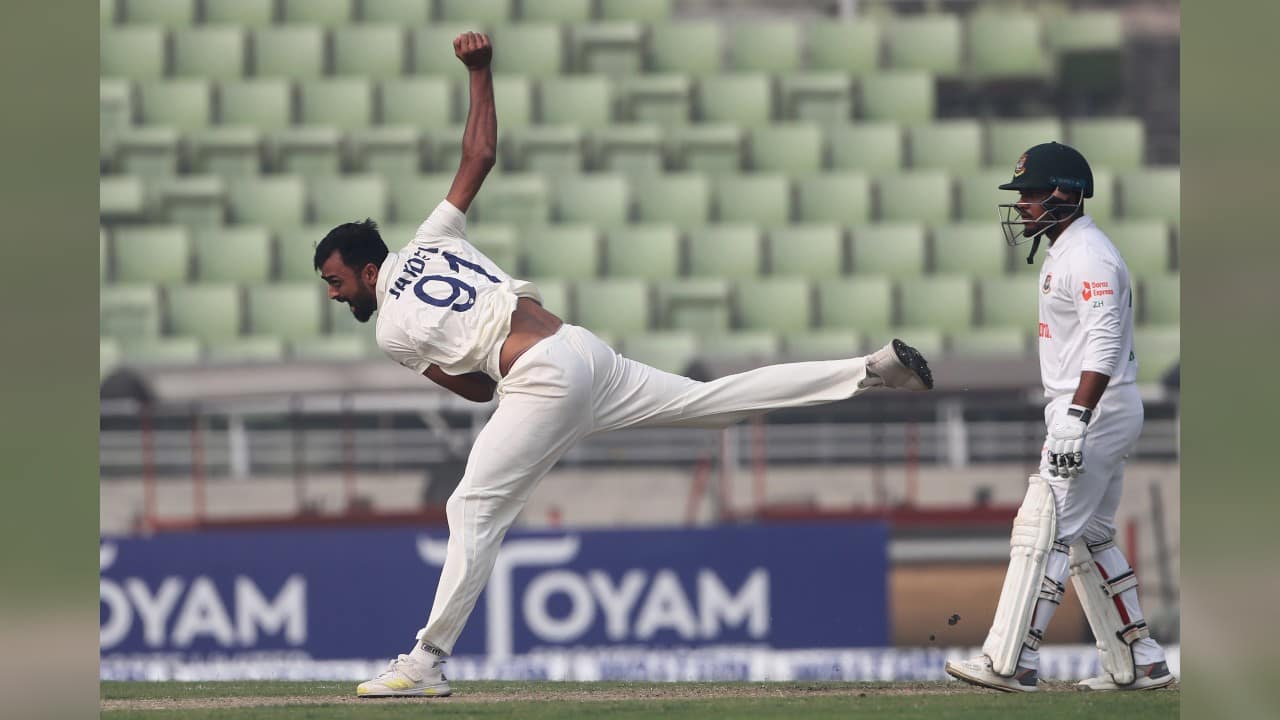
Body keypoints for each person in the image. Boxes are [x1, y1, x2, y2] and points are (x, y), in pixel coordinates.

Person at [315, 32, 935, 699]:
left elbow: (472, 390)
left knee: (471, 504)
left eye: (335, 280)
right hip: (580, 349)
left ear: (368, 269)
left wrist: (495, 388)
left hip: (540, 379)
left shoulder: (391, 331)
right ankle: (868, 370)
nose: (333, 293)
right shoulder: (435, 234)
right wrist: (482, 70)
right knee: (712, 401)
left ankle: (425, 662)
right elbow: (481, 153)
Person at [944, 142, 1174, 692]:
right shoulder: (1068, 252)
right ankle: (1141, 660)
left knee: (1041, 531)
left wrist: (1076, 416)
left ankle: (1012, 662)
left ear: (1064, 194)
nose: (1021, 204)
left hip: (1094, 408)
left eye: (1030, 193)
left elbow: (1104, 340)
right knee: (1091, 536)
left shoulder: (1089, 256)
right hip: (1099, 408)